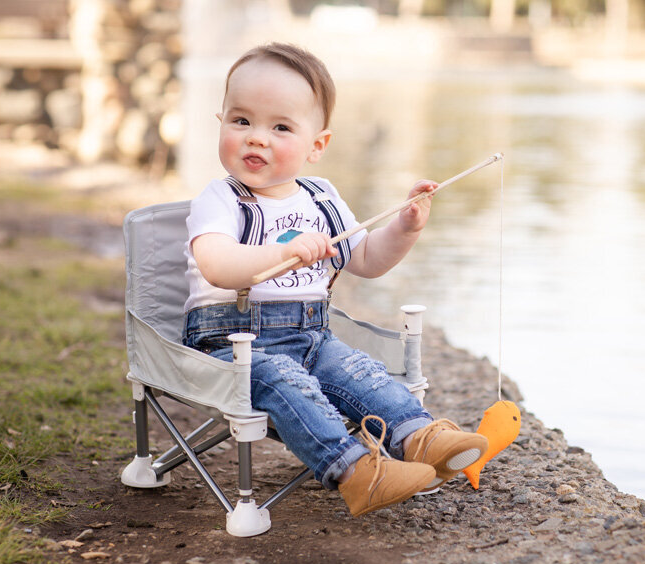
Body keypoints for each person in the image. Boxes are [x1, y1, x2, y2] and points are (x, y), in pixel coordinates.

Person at [181, 42, 488, 517]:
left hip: (311, 335)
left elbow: (364, 258)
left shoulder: (321, 198)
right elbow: (216, 264)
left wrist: (404, 229)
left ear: (317, 145)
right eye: (241, 121)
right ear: (220, 122)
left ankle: (421, 439)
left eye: (280, 127)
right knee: (282, 379)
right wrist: (284, 252)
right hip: (232, 344)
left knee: (361, 373)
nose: (256, 138)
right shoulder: (220, 199)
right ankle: (358, 472)